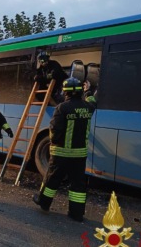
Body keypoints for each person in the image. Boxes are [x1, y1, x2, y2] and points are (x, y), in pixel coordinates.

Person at [32, 77, 96, 222]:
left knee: (52, 179)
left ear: (65, 92)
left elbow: (54, 130)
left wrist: (53, 142)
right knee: (78, 184)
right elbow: (93, 102)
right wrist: (88, 91)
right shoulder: (88, 108)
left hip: (61, 153)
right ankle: (76, 213)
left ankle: (44, 202)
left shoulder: (62, 108)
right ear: (79, 91)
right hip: (79, 155)